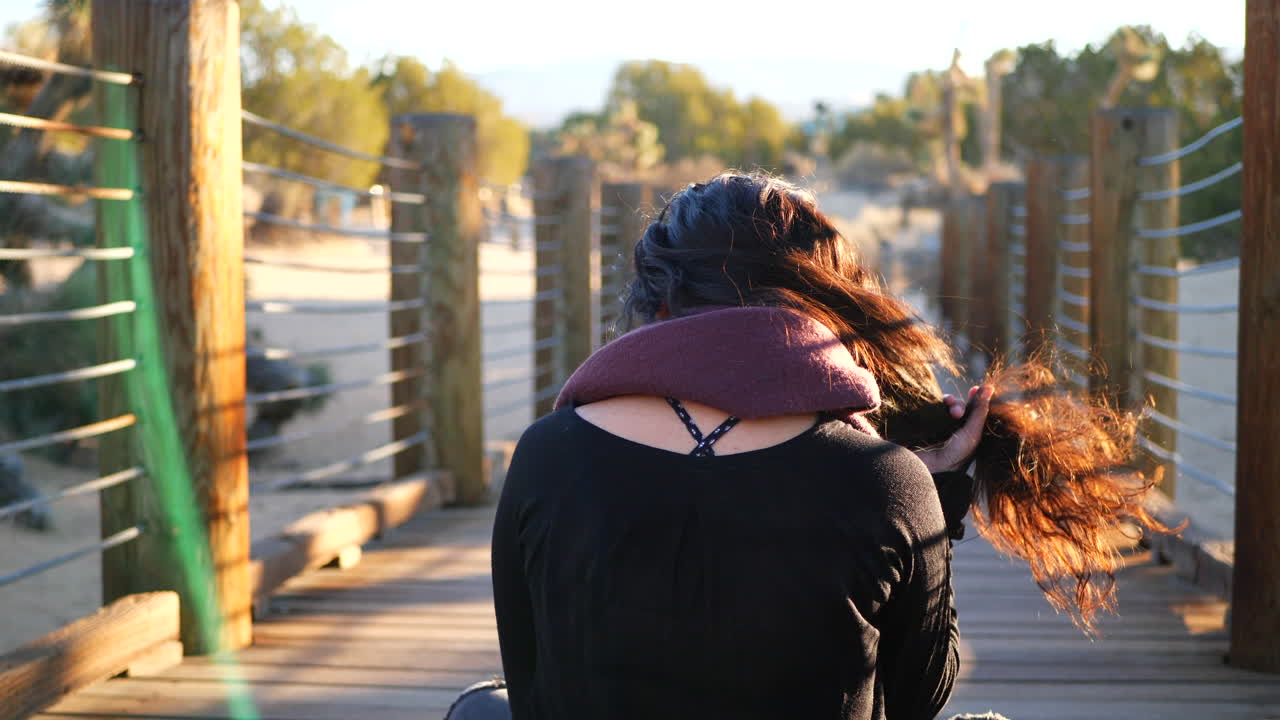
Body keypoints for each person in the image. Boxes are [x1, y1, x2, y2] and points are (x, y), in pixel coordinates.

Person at [480, 172, 1163, 720]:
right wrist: (936, 494)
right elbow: (920, 699)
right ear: (827, 311)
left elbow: (530, 685)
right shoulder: (886, 482)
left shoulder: (545, 457)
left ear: (658, 305)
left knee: (483, 704)